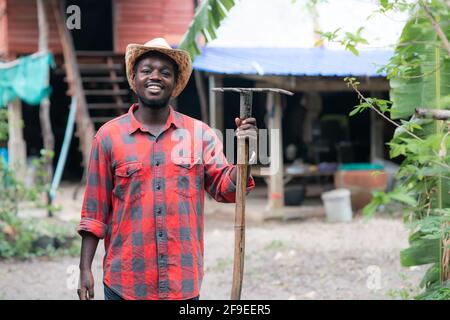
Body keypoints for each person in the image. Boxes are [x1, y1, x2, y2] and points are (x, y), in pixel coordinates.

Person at [76, 38, 257, 300]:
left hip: (181, 283)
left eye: (165, 72)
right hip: (125, 284)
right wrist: (84, 269)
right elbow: (94, 212)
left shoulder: (200, 134)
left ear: (175, 84)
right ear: (134, 79)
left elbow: (227, 190)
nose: (155, 77)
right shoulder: (108, 137)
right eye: (147, 70)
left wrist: (245, 156)